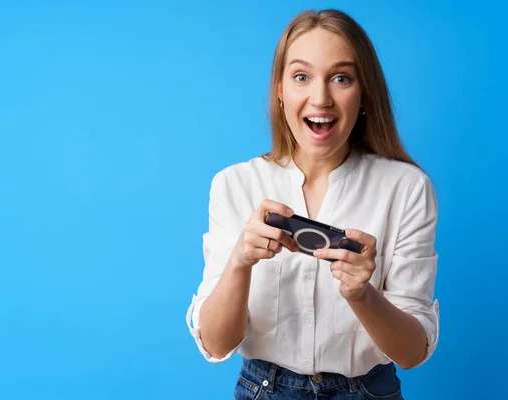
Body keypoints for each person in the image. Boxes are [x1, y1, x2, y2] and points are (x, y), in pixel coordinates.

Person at [186, 8, 439, 400]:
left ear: (364, 93)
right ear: (281, 92)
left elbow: (409, 353)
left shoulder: (406, 188)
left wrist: (362, 294)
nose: (320, 98)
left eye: (341, 78)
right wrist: (239, 262)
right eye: (301, 76)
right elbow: (217, 345)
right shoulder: (234, 184)